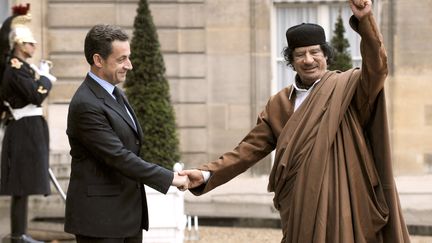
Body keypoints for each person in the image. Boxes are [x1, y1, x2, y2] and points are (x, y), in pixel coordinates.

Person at [180, 0, 411, 242]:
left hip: (346, 200)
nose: (308, 60)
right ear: (291, 60)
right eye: (300, 54)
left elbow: (377, 68)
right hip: (301, 205)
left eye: (314, 52)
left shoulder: (350, 89)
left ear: (326, 56)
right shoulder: (279, 104)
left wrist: (366, 20)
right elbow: (246, 151)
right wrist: (206, 174)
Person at [64, 24, 189, 243]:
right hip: (100, 221)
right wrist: (170, 178)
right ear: (98, 60)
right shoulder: (86, 103)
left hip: (126, 215)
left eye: (128, 58)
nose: (129, 66)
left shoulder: (116, 93)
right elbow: (118, 156)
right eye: (121, 59)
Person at [0, 4, 56, 243]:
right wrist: (45, 78)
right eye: (31, 43)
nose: (35, 46)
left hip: (30, 128)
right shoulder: (13, 68)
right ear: (20, 45)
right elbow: (36, 95)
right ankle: (17, 235)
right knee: (20, 186)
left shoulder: (23, 67)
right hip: (22, 129)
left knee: (24, 185)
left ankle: (19, 234)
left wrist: (39, 74)